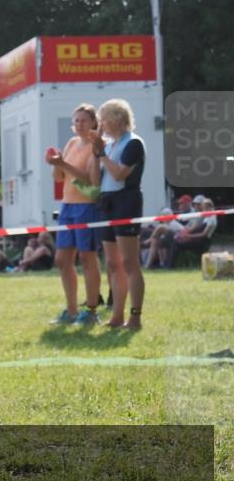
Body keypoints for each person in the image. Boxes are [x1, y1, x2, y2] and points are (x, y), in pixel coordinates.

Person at [45, 103, 103, 325]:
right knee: (62, 260)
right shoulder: (71, 143)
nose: (79, 124)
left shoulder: (97, 145)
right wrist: (55, 164)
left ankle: (91, 310)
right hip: (67, 205)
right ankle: (71, 311)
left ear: (93, 123)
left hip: (86, 205)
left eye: (84, 120)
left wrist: (63, 164)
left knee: (87, 258)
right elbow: (59, 178)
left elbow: (89, 179)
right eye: (76, 120)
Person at [91, 98, 145, 330]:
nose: (100, 124)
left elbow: (120, 174)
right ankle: (117, 315)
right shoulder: (110, 145)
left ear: (118, 119)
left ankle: (135, 317)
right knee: (113, 263)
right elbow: (95, 181)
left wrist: (103, 155)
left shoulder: (133, 143)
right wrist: (96, 153)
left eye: (103, 119)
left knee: (129, 262)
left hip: (126, 202)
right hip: (107, 202)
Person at [166, 197, 217, 267]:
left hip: (201, 242)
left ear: (209, 207)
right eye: (203, 208)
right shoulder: (207, 217)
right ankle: (169, 264)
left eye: (204, 208)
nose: (203, 210)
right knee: (176, 240)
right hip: (197, 240)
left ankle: (170, 265)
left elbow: (203, 234)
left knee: (176, 243)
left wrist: (188, 236)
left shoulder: (211, 219)